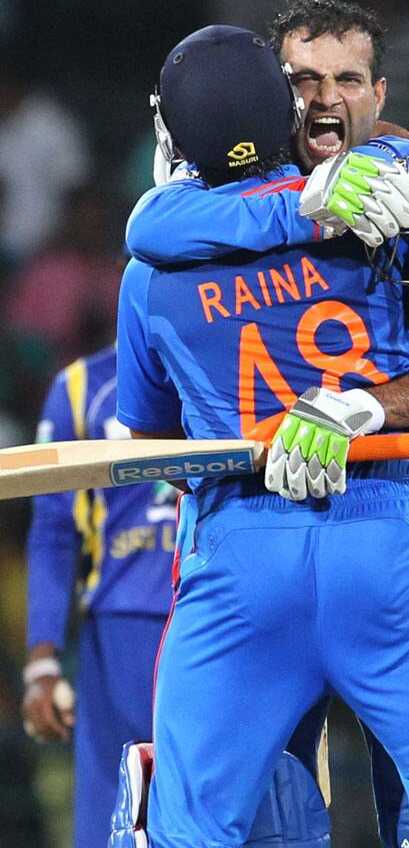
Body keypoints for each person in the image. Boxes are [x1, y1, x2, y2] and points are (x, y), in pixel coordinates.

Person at [116, 22, 409, 847]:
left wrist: (368, 405)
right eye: (307, 82)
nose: (328, 100)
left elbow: (149, 439)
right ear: (281, 102)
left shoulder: (153, 266)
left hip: (237, 554)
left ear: (379, 93)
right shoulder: (395, 219)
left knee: (184, 829)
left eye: (349, 80)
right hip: (389, 537)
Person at [21, 343, 178, 848]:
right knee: (111, 820)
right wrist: (42, 660)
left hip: (220, 608)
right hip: (121, 628)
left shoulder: (234, 361)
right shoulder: (78, 387)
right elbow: (52, 526)